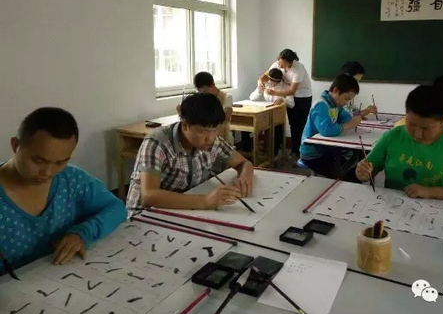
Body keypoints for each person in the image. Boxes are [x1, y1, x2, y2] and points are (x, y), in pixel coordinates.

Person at [0, 108, 127, 274]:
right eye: (39, 161)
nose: (48, 172)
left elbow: (116, 208)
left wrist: (82, 233)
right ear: (15, 145)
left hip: (61, 277)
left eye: (60, 163)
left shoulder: (72, 180)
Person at [355, 85, 443, 203]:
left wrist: (430, 192)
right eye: (411, 124)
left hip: (438, 213)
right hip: (394, 209)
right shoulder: (393, 136)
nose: (417, 134)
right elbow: (367, 171)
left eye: (426, 128)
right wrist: (362, 172)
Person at [126, 92, 254, 213]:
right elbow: (149, 196)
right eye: (203, 131)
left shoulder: (213, 141)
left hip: (184, 209)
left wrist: (244, 178)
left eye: (216, 129)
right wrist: (205, 201)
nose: (210, 138)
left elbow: (244, 163)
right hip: (144, 216)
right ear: (185, 125)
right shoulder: (157, 143)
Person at [299, 74, 363, 180]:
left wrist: (352, 120)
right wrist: (350, 124)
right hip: (312, 154)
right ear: (336, 90)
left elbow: (347, 117)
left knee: (351, 163)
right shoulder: (321, 105)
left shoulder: (335, 104)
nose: (345, 103)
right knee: (341, 173)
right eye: (346, 99)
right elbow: (326, 130)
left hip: (326, 150)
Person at [258, 49, 312, 160]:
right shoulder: (278, 64)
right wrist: (260, 82)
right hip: (287, 95)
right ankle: (279, 150)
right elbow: (264, 76)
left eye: (282, 63)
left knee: (298, 124)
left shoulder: (298, 69)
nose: (279, 65)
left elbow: (292, 90)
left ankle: (297, 152)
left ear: (289, 62)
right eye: (279, 61)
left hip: (302, 96)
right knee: (286, 122)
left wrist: (274, 93)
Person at [249, 68, 295, 159]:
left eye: (275, 82)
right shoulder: (266, 83)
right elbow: (252, 98)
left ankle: (275, 153)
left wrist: (283, 99)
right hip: (266, 112)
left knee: (276, 128)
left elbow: (292, 104)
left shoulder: (286, 87)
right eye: (270, 81)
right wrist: (259, 91)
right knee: (255, 126)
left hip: (278, 114)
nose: (272, 84)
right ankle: (254, 150)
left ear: (279, 81)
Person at [192, 71, 234, 146]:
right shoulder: (201, 97)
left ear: (213, 84)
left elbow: (225, 118)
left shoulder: (226, 97)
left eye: (204, 89)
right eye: (199, 90)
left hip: (223, 138)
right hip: (206, 139)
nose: (202, 92)